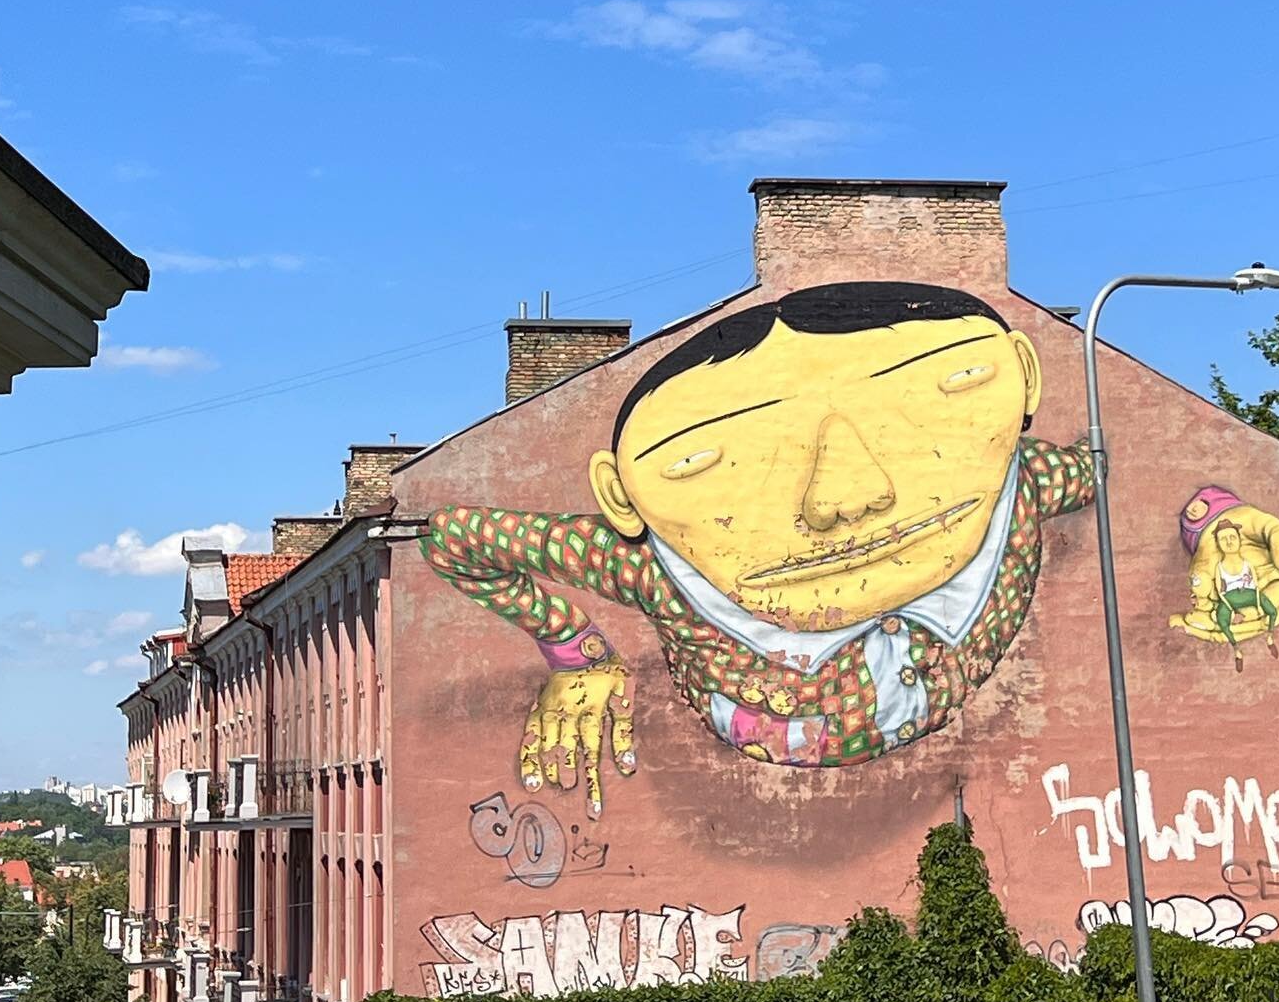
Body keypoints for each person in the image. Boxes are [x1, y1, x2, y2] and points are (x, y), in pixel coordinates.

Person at [422, 281, 1094, 816]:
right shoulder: (644, 564)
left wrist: (1203, 525)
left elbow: (1112, 469)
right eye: (702, 458)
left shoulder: (1026, 480)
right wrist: (578, 654)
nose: (846, 495)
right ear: (620, 493)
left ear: (1025, 378)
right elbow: (455, 539)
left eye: (955, 386)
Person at [1169, 485, 1279, 669]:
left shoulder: (1248, 557)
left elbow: (1260, 577)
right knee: (1221, 621)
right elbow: (1209, 584)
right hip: (1230, 599)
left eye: (1232, 537)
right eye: (1224, 539)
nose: (1229, 542)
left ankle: (1269, 637)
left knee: (1270, 604)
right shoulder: (1215, 561)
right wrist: (1204, 600)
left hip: (1249, 593)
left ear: (1239, 538)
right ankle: (1236, 649)